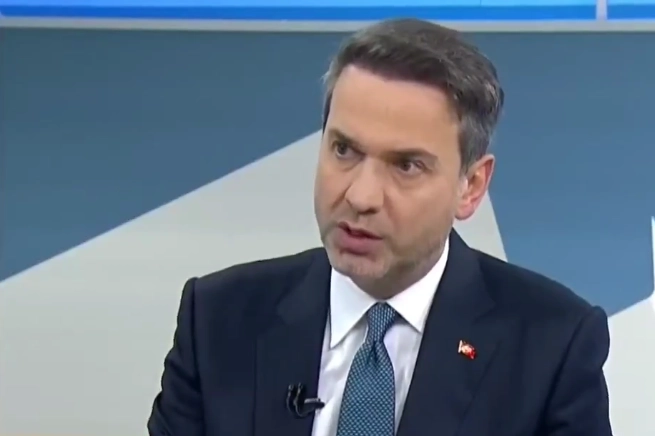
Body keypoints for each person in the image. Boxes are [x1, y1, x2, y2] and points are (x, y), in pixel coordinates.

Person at [147, 18, 613, 436]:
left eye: (406, 165)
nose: (361, 196)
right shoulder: (217, 322)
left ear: (470, 186)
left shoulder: (552, 347)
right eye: (344, 150)